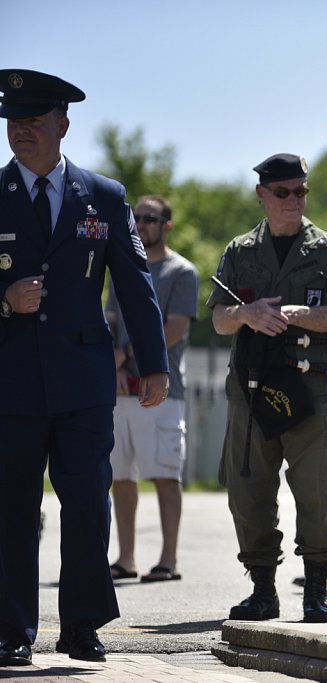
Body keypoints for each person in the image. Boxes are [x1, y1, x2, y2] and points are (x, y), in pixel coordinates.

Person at [0, 69, 169, 665]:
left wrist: (155, 365)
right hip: (12, 384)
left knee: (88, 502)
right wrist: (5, 298)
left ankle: (81, 625)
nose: (22, 133)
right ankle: (12, 630)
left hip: (83, 380)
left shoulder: (104, 195)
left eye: (33, 123)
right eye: (13, 124)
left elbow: (134, 282)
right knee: (13, 506)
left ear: (62, 125)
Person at [208, 153, 327, 624]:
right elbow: (217, 319)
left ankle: (316, 591)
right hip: (252, 391)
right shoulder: (239, 251)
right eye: (282, 192)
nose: (293, 200)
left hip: (313, 390)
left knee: (318, 493)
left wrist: (294, 314)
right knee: (249, 492)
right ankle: (263, 591)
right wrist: (246, 315)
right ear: (262, 195)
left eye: (300, 191)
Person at [107, 195, 199, 583]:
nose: (141, 224)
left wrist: (126, 354)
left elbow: (175, 329)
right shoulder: (123, 266)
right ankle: (125, 559)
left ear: (166, 225)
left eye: (150, 218)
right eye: (137, 218)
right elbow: (110, 318)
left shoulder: (182, 271)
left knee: (164, 473)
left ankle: (168, 559)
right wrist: (109, 354)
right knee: (120, 476)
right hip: (120, 390)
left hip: (162, 389)